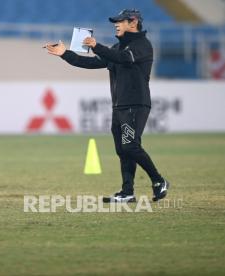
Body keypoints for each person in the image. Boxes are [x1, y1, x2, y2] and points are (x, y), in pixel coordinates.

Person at [46, 9, 169, 203]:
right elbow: (91, 63)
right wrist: (65, 54)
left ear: (133, 22)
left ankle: (159, 180)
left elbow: (125, 59)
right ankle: (127, 192)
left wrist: (96, 46)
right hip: (119, 107)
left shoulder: (142, 45)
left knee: (130, 146)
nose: (116, 24)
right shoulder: (116, 48)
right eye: (116, 22)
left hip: (135, 105)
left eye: (120, 21)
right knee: (122, 149)